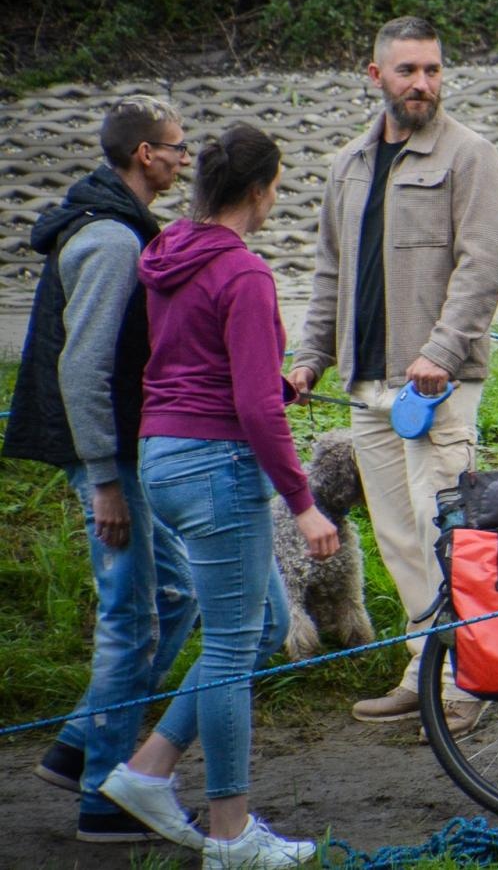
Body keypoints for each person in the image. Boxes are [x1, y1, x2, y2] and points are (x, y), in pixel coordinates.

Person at [100, 124, 339, 869]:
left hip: (162, 457)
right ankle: (232, 835)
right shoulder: (243, 273)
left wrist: (273, 380)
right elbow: (254, 411)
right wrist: (303, 502)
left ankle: (148, 771)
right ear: (261, 190)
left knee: (265, 623)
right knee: (235, 648)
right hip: (216, 466)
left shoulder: (165, 254)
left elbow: (198, 361)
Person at [287, 16, 498, 735]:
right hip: (365, 387)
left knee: (448, 534)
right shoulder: (347, 165)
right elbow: (329, 273)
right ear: (374, 74)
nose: (422, 84)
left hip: (436, 389)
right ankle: (426, 668)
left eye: (434, 70)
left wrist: (443, 351)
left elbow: (484, 266)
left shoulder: (470, 155)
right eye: (408, 70)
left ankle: (470, 680)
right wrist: (309, 354)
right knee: (398, 540)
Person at [4, 97, 199, 843]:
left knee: (175, 593)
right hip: (108, 458)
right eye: (177, 149)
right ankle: (105, 803)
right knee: (132, 618)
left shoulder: (112, 223)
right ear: (144, 155)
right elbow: (81, 367)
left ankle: (82, 739)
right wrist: (105, 480)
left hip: (123, 450)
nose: (184, 160)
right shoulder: (113, 240)